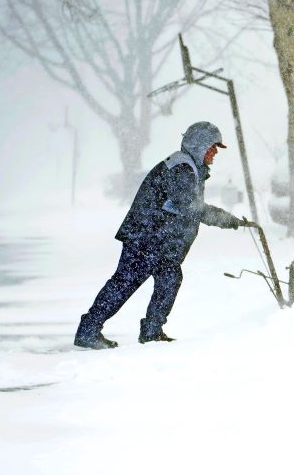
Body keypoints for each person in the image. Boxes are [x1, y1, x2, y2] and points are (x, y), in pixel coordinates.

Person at [74, 121, 247, 349]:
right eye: (212, 147)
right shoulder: (181, 168)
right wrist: (225, 219)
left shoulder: (191, 168)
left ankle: (152, 331)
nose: (215, 153)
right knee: (124, 283)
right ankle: (89, 329)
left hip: (158, 240)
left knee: (169, 279)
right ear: (198, 145)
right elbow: (190, 206)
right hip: (145, 238)